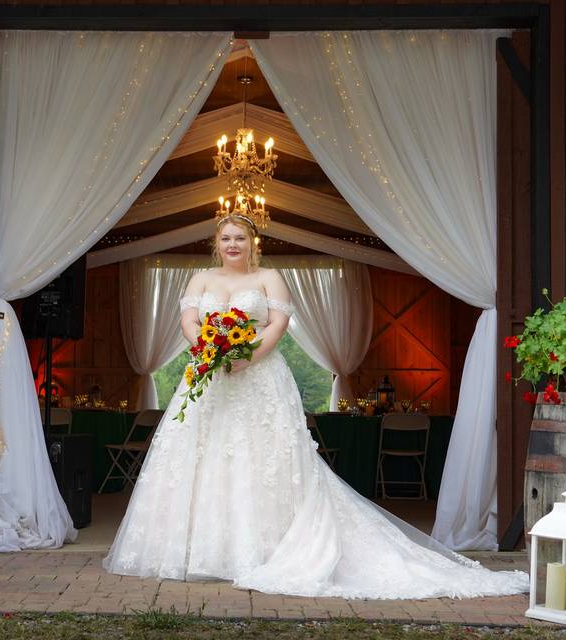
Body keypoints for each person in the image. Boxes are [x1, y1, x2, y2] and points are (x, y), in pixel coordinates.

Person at [103, 214, 527, 599]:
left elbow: (278, 324)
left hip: (261, 378)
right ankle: (203, 551)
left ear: (253, 242)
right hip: (209, 377)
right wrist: (211, 351)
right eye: (226, 238)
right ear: (217, 244)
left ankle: (266, 547)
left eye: (241, 238)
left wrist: (246, 357)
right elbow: (189, 322)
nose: (233, 244)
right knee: (205, 455)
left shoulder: (270, 277)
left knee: (264, 458)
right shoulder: (200, 279)